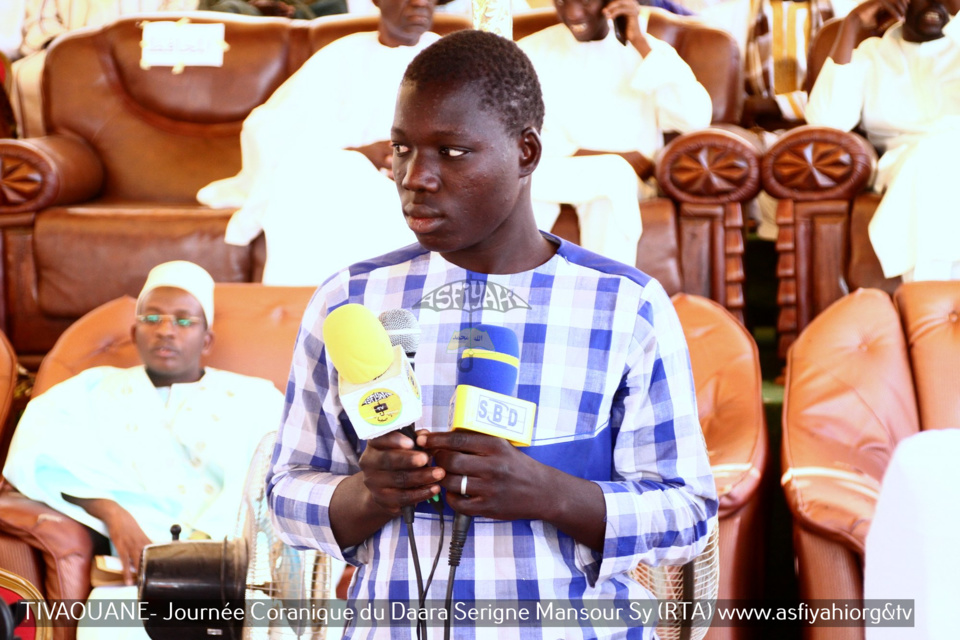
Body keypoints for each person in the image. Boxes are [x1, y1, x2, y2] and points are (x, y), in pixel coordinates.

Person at [268, 29, 717, 639]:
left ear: (527, 153)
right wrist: (368, 494)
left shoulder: (625, 305)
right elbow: (286, 494)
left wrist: (551, 494)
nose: (415, 177)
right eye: (402, 148)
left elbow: (688, 513)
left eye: (450, 152)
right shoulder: (350, 300)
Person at [2, 261, 284, 590]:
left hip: (235, 570)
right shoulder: (91, 390)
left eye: (183, 320)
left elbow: (276, 479)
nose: (165, 330)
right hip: (132, 574)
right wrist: (112, 512)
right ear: (135, 333)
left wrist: (207, 548)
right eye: (152, 318)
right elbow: (35, 455)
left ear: (206, 340)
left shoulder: (256, 398)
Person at [196, 0, 439, 286]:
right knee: (319, 180)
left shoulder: (449, 60)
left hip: (419, 180)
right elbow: (271, 128)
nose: (421, 2)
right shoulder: (341, 56)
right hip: (337, 177)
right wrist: (356, 155)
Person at [517, 0, 713, 267]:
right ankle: (510, 293)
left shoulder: (649, 52)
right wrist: (617, 158)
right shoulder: (530, 51)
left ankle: (608, 299)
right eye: (562, 1)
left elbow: (695, 120)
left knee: (612, 180)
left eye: (585, 2)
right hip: (551, 172)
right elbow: (516, 130)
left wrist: (639, 42)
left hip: (625, 184)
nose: (573, 13)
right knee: (517, 184)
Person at [805, 0, 960, 281]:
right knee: (931, 158)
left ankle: (927, 300)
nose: (935, 3)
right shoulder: (871, 54)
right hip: (902, 163)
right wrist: (851, 25)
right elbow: (825, 121)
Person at [10, 0, 198, 139]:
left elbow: (178, 12)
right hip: (68, 44)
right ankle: (43, 158)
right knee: (27, 76)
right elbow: (41, 20)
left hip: (145, 45)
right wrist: (70, 49)